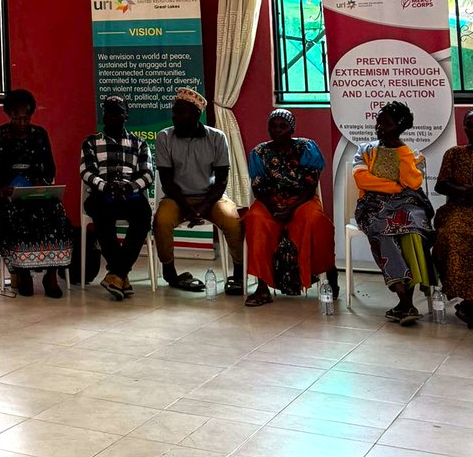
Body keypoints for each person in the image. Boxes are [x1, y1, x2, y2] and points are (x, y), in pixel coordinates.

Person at [0, 88, 74, 298]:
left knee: (58, 218)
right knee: (14, 219)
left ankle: (51, 273)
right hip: (8, 196)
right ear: (8, 114)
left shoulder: (39, 134)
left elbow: (50, 169)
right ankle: (23, 272)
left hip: (35, 194)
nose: (22, 122)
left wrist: (42, 181)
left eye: (26, 117)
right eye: (17, 117)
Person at [153, 87, 244, 294]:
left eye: (181, 112)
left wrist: (203, 206)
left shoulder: (217, 137)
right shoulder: (164, 137)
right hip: (177, 199)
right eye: (174, 112)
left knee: (233, 221)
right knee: (161, 220)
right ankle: (170, 273)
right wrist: (187, 208)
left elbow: (221, 181)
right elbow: (167, 181)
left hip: (212, 198)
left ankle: (238, 273)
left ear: (196, 114)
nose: (175, 117)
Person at [244, 109, 338, 307]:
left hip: (302, 200)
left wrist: (291, 208)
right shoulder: (259, 152)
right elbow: (258, 187)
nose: (277, 130)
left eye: (282, 126)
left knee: (314, 221)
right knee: (255, 218)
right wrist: (274, 207)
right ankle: (262, 287)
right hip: (270, 201)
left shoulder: (306, 147)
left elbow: (310, 185)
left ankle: (328, 271)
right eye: (273, 125)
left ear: (292, 128)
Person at [354, 100, 434, 325]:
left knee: (414, 229)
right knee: (382, 229)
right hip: (372, 206)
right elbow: (362, 179)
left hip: (408, 204)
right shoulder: (365, 150)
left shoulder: (408, 153)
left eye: (385, 124)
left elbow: (413, 182)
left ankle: (405, 305)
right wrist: (396, 186)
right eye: (378, 123)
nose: (378, 128)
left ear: (398, 127)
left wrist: (399, 149)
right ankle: (405, 301)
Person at [79, 95, 154, 300]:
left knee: (143, 216)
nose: (113, 116)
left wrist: (129, 187)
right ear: (104, 116)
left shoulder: (140, 144)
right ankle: (121, 274)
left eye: (118, 112)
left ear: (126, 115)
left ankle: (116, 274)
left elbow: (148, 174)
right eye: (109, 112)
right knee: (102, 217)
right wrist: (107, 186)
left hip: (130, 195)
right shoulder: (91, 142)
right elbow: (87, 172)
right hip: (101, 194)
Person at [435, 108, 473, 328]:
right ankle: (468, 300)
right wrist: (463, 190)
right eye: (470, 124)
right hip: (458, 208)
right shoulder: (454, 153)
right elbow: (441, 184)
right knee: (454, 234)